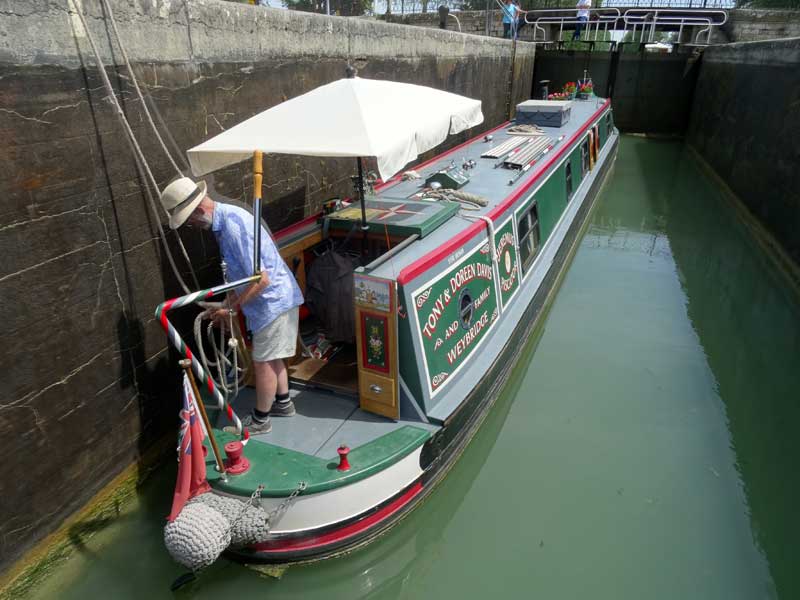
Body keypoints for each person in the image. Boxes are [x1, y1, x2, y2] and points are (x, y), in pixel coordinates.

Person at [160, 177, 304, 434]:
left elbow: (261, 279)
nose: (191, 226)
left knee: (263, 361)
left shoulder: (234, 228)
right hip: (273, 301)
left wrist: (231, 309)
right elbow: (243, 276)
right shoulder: (225, 223)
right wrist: (227, 303)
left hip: (273, 301)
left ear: (200, 210)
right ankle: (283, 403)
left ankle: (261, 420)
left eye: (189, 220)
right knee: (273, 356)